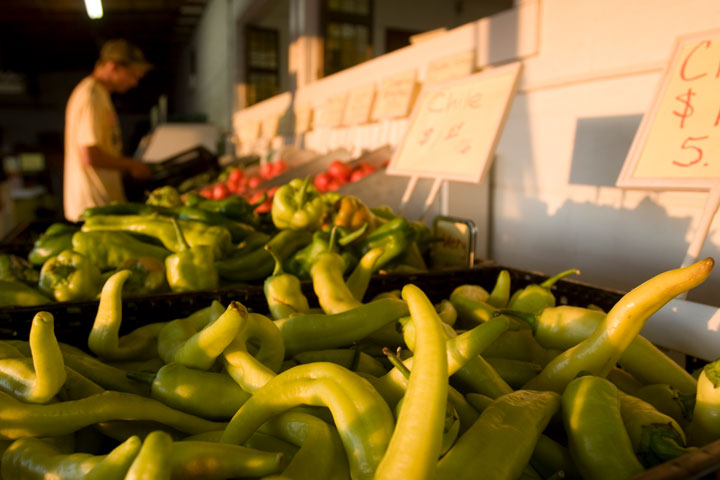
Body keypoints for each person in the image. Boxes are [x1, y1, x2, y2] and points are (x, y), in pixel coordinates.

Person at [63, 39, 153, 222]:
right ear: (113, 67)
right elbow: (90, 155)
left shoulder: (99, 94)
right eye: (132, 75)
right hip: (93, 206)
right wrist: (131, 165)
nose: (134, 83)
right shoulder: (91, 96)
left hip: (100, 204)